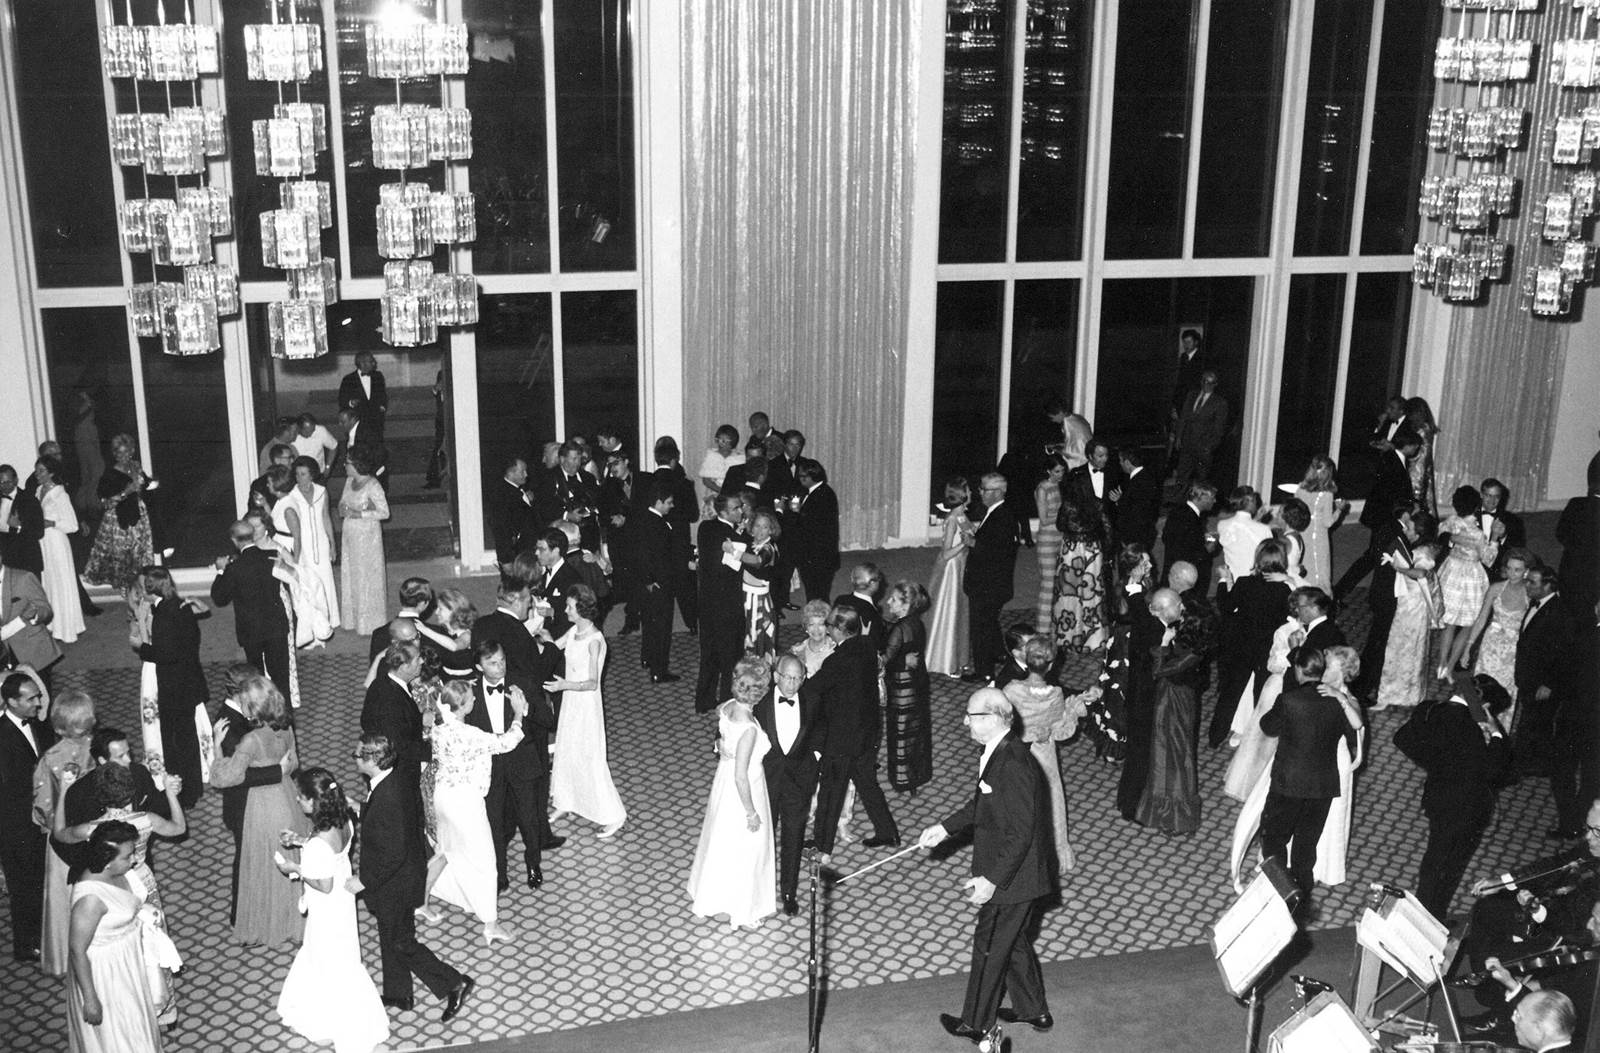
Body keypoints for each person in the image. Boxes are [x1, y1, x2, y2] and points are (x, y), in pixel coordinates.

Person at [920, 688, 1055, 1041]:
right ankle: (1033, 1010)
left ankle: (976, 1022)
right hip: (1018, 874)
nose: (965, 721)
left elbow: (1022, 833)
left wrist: (991, 881)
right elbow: (984, 805)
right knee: (1013, 941)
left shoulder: (1013, 763)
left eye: (971, 715)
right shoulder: (998, 751)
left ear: (993, 719)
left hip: (1012, 878)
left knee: (989, 946)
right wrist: (945, 828)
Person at [53, 758, 186, 1031]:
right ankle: (166, 1011)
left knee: (124, 950)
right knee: (154, 943)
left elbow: (59, 834)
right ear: (130, 792)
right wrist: (172, 794)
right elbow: (179, 828)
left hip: (111, 888)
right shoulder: (146, 820)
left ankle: (135, 1011)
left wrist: (64, 790)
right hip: (143, 883)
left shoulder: (91, 829)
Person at [348, 733, 473, 1023]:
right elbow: (390, 822)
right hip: (403, 877)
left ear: (372, 760)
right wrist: (361, 808)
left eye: (357, 756)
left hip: (396, 883)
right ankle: (399, 993)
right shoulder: (392, 780)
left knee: (401, 941)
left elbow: (392, 853)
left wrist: (364, 881)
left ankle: (454, 983)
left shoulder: (387, 795)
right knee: (389, 934)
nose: (354, 760)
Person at [272, 768, 390, 1053]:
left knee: (327, 957)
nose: (298, 801)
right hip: (343, 899)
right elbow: (330, 852)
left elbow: (323, 883)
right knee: (340, 953)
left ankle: (333, 1024)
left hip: (327, 905)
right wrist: (299, 841)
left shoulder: (318, 842)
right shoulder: (344, 819)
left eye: (301, 798)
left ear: (314, 801)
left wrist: (294, 868)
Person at [1395, 675, 1514, 919]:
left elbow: (1402, 739)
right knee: (1448, 866)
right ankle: (1430, 917)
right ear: (1485, 706)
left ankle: (1426, 914)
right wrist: (1496, 735)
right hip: (1465, 806)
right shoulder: (1470, 730)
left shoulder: (1430, 708)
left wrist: (1436, 764)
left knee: (1434, 859)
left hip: (1437, 797)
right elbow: (1494, 770)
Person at [1256, 645, 1365, 908]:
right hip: (1322, 786)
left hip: (1288, 783)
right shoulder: (1337, 701)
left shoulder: (1289, 700)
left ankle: (1279, 894)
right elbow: (1355, 728)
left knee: (1274, 839)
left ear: (1299, 670)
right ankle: (1300, 900)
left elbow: (1267, 726)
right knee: (1306, 847)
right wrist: (1341, 698)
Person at [421, 678, 526, 943]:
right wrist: (517, 714)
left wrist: (459, 688)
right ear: (462, 706)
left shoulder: (439, 728)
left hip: (443, 797)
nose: (476, 699)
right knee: (486, 862)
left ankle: (420, 901)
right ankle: (491, 925)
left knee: (445, 851)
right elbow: (507, 742)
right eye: (471, 698)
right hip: (465, 803)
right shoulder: (471, 735)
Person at [210, 675, 306, 948]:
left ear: (252, 708)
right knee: (287, 858)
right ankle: (290, 922)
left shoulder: (251, 739)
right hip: (285, 797)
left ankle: (266, 925)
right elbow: (293, 763)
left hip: (261, 806)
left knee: (261, 865)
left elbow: (223, 778)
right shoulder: (286, 728)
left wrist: (216, 747)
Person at [687, 656, 776, 931]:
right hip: (744, 790)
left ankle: (709, 898)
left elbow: (720, 728)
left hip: (722, 782)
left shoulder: (726, 707)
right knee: (748, 849)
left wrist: (721, 747)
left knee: (721, 841)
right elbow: (741, 776)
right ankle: (743, 912)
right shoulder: (749, 728)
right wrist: (751, 812)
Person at [802, 604, 900, 853]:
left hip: (843, 737)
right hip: (868, 731)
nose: (827, 629)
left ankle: (821, 844)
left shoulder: (837, 660)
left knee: (830, 792)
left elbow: (812, 690)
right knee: (867, 783)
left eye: (829, 625)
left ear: (837, 630)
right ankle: (888, 833)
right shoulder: (867, 645)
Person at [65, 821, 169, 1053]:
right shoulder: (90, 900)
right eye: (128, 856)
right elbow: (76, 950)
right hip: (106, 974)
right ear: (107, 861)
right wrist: (90, 999)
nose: (134, 859)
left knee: (137, 1025)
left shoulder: (119, 871)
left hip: (128, 961)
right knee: (120, 1034)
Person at [545, 585, 626, 838]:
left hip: (586, 705)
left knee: (590, 758)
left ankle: (614, 816)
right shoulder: (574, 631)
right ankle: (565, 801)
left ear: (581, 610)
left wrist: (563, 685)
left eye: (569, 607)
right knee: (567, 749)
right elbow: (552, 647)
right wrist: (540, 630)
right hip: (571, 701)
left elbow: (592, 682)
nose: (566, 610)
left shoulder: (594, 641)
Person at [1002, 637, 1086, 874]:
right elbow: (1062, 731)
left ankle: (1015, 856)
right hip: (1044, 755)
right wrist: (1073, 710)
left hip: (1016, 755)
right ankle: (1054, 856)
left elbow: (1003, 725)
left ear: (1026, 660)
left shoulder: (1011, 690)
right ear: (1050, 665)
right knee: (1051, 802)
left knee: (1017, 803)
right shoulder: (1055, 694)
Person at [34, 688, 96, 978]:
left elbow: (42, 807)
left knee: (65, 900)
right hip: (93, 829)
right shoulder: (95, 749)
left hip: (63, 835)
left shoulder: (50, 758)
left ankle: (65, 958)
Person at [753, 655, 821, 917]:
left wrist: (815, 758)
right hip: (765, 780)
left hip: (799, 782)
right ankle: (759, 890)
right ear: (775, 676)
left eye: (798, 678)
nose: (792, 684)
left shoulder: (812, 700)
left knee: (793, 837)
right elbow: (737, 722)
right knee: (762, 837)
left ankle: (789, 893)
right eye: (787, 677)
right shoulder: (759, 701)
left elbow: (821, 730)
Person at [1211, 539, 1294, 747]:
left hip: (1242, 646)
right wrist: (1291, 580)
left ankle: (1215, 737)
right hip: (1266, 649)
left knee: (1230, 693)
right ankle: (1257, 741)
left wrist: (1224, 580)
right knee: (1262, 695)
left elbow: (1226, 606)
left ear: (1258, 560)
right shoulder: (1285, 590)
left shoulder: (1244, 583)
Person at [1136, 588, 1205, 835]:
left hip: (1177, 702)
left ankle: (1176, 815)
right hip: (1169, 698)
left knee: (1176, 753)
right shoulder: (1186, 634)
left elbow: (1159, 670)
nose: (1181, 608)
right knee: (1164, 750)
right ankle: (1164, 810)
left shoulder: (1192, 651)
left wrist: (1165, 644)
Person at [1332, 429, 1422, 602]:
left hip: (1383, 516)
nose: (1416, 450)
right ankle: (1340, 592)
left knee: (1376, 556)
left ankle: (1349, 592)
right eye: (1415, 446)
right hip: (1384, 517)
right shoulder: (1393, 462)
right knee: (1373, 556)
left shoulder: (1393, 458)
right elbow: (1391, 494)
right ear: (1408, 445)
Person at [2, 671, 55, 962]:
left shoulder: (36, 725)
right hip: (15, 827)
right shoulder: (2, 737)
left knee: (38, 880)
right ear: (12, 702)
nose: (38, 703)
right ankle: (26, 945)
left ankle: (43, 935)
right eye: (31, 698)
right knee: (23, 886)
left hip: (36, 820)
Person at [210, 519, 293, 699]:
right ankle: (285, 713)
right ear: (253, 535)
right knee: (281, 676)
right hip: (276, 624)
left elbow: (219, 598)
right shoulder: (272, 556)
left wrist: (220, 571)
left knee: (256, 676)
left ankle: (260, 710)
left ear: (234, 540)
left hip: (250, 629)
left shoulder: (234, 568)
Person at [1515, 564, 1574, 796]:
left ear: (1548, 585)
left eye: (1532, 582)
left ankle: (1528, 764)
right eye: (1527, 580)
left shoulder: (1559, 614)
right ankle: (1532, 760)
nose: (1527, 585)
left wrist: (1549, 684)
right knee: (1533, 720)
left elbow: (1563, 655)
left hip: (1543, 683)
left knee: (1536, 721)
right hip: (1530, 677)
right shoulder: (1538, 603)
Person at [1436, 485, 1503, 681]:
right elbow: (1488, 559)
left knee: (1449, 623)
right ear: (1476, 506)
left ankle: (1441, 664)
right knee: (1467, 625)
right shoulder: (1477, 534)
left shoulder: (1450, 522)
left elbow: (1441, 535)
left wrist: (1454, 539)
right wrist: (1495, 539)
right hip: (1471, 577)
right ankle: (1449, 667)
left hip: (1451, 572)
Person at [83, 433, 155, 603]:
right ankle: (129, 594)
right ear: (115, 454)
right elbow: (106, 503)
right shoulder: (110, 474)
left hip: (138, 517)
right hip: (119, 521)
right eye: (119, 452)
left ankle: (140, 592)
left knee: (139, 555)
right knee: (124, 558)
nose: (123, 456)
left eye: (126, 451)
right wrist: (126, 492)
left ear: (132, 451)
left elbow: (145, 485)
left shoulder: (135, 466)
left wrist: (146, 484)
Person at [275, 456, 339, 647]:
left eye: (303, 474)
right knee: (308, 586)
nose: (299, 478)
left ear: (312, 475)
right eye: (297, 474)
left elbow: (326, 517)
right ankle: (311, 630)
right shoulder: (292, 495)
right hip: (303, 545)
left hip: (321, 543)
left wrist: (332, 544)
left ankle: (327, 623)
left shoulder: (321, 491)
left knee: (325, 581)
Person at [1375, 523, 1439, 711]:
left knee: (1403, 649)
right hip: (1409, 604)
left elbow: (1420, 573)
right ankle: (1403, 694)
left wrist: (1399, 568)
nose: (1405, 530)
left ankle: (1399, 695)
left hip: (1413, 607)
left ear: (1419, 533)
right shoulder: (1423, 549)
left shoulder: (1423, 553)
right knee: (1406, 649)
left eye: (1409, 528)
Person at [964, 472, 1019, 682]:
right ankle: (999, 653)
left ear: (997, 492)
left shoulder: (1002, 517)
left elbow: (997, 553)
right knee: (989, 620)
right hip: (995, 583)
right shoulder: (998, 512)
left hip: (988, 584)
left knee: (981, 627)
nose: (980, 492)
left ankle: (984, 671)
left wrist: (973, 543)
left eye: (984, 489)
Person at [696, 492, 746, 712]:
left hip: (707, 601)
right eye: (736, 508)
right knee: (730, 656)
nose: (741, 511)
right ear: (724, 512)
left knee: (709, 654)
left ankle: (703, 701)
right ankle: (727, 703)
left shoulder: (705, 527)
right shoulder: (735, 538)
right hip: (728, 604)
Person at [1465, 547, 1532, 709]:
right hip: (1490, 646)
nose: (1512, 574)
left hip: (1513, 651)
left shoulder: (1530, 594)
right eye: (1509, 568)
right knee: (1481, 689)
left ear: (1526, 571)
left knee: (1504, 692)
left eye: (1517, 570)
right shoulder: (1496, 588)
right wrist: (1468, 648)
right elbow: (1481, 619)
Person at [883, 581, 933, 795]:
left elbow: (885, 661)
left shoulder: (899, 629)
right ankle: (915, 777)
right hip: (916, 684)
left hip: (901, 689)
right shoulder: (916, 623)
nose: (888, 602)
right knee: (914, 733)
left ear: (905, 606)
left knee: (900, 733)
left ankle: (902, 779)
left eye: (893, 599)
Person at [632, 479, 681, 683]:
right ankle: (658, 671)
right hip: (659, 583)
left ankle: (647, 658)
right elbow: (646, 555)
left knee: (649, 622)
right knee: (661, 627)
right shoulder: (658, 523)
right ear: (659, 502)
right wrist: (651, 580)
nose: (672, 506)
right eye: (669, 502)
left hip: (649, 583)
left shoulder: (644, 518)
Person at [31, 457, 83, 644]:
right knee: (49, 583)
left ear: (51, 472)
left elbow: (73, 525)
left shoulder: (60, 494)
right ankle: (53, 626)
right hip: (43, 543)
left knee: (61, 583)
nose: (37, 474)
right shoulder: (38, 491)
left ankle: (67, 628)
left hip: (57, 542)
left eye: (42, 471)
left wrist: (52, 523)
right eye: (37, 470)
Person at [338, 448, 390, 635]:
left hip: (367, 536)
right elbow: (342, 503)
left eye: (348, 463)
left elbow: (384, 512)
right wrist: (344, 509)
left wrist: (359, 513)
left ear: (357, 465)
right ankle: (352, 620)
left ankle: (369, 622)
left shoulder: (373, 485)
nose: (345, 466)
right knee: (351, 573)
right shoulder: (349, 481)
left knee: (365, 575)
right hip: (350, 533)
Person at [926, 476, 973, 677]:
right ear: (962, 496)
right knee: (950, 611)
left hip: (962, 565)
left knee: (961, 611)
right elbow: (945, 553)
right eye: (968, 491)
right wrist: (965, 543)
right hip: (951, 569)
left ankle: (959, 657)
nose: (971, 493)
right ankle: (946, 659)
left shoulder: (962, 515)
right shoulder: (953, 519)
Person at [1053, 492, 1107, 655]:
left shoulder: (1068, 503)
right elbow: (1106, 527)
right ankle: (1094, 639)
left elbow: (1060, 525)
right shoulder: (1097, 503)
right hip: (1092, 548)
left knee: (1068, 593)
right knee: (1092, 593)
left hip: (1071, 548)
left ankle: (1068, 637)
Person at [1293, 456, 1347, 593]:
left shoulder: (1300, 489)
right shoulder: (1326, 494)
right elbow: (1327, 522)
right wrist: (1339, 510)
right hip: (1318, 535)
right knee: (1320, 568)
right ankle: (1321, 597)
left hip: (1302, 531)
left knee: (1304, 563)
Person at [789, 459, 841, 603]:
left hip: (817, 557)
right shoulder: (821, 491)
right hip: (820, 555)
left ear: (812, 477)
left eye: (802, 476)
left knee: (816, 593)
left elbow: (809, 526)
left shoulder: (821, 496)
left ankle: (818, 616)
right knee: (816, 592)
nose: (800, 479)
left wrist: (795, 512)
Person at [735, 508, 781, 659]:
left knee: (757, 633)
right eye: (757, 526)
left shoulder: (769, 548)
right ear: (752, 528)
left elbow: (758, 561)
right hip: (745, 594)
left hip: (759, 599)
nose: (760, 530)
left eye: (765, 527)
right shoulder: (751, 543)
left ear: (771, 530)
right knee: (745, 631)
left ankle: (758, 666)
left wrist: (735, 553)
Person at [1173, 369, 1230, 488]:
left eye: (1210, 383)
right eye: (1204, 381)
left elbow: (1219, 429)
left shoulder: (1220, 403)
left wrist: (1209, 447)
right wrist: (1178, 437)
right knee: (1181, 478)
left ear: (1215, 384)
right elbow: (1183, 417)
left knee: (1201, 481)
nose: (1206, 385)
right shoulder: (1191, 395)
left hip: (1203, 448)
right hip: (1187, 444)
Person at [1216, 487, 1274, 595]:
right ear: (1250, 502)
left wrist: (1256, 519)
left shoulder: (1222, 525)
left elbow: (1242, 531)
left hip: (1230, 582)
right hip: (1253, 585)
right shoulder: (1264, 529)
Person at [1162, 479, 1218, 591]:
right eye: (1212, 497)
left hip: (1175, 574)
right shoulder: (1189, 517)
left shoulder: (1180, 512)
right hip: (1183, 580)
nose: (1215, 501)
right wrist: (1206, 549)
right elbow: (1183, 551)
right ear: (1202, 497)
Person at [1032, 456, 1066, 633]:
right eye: (1057, 471)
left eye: (1062, 471)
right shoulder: (1042, 488)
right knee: (1048, 583)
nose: (1060, 474)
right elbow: (1044, 519)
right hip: (1047, 539)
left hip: (1060, 536)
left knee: (1058, 582)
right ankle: (1042, 627)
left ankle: (1054, 624)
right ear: (1048, 471)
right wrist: (1064, 516)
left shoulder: (1059, 486)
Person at [487, 456, 535, 567]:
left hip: (525, 554)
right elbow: (501, 529)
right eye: (522, 471)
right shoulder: (501, 495)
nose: (526, 474)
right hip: (515, 557)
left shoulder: (518, 490)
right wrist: (506, 560)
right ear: (511, 473)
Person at [338, 351, 388, 440]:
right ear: (362, 363)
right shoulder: (348, 379)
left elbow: (383, 395)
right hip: (357, 423)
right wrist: (351, 403)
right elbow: (342, 400)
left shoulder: (378, 376)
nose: (374, 363)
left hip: (375, 422)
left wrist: (382, 407)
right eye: (371, 361)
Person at [1405, 397, 1439, 517]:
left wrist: (1416, 494)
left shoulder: (1423, 431)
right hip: (1420, 475)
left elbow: (1420, 463)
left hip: (1417, 478)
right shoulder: (1425, 429)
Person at [696, 424, 744, 508]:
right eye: (718, 440)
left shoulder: (739, 458)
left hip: (733, 495)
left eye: (724, 441)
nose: (720, 443)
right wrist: (721, 490)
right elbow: (706, 480)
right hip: (714, 494)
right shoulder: (712, 456)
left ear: (732, 442)